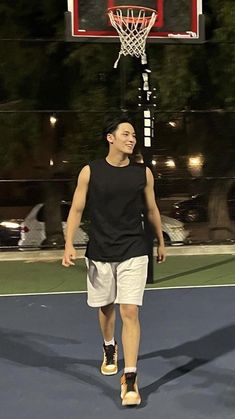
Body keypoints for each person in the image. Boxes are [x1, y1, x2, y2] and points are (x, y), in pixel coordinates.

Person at [62, 115, 166, 406]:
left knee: (129, 311)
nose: (132, 139)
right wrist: (69, 243)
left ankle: (130, 378)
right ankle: (109, 347)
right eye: (126, 134)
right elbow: (76, 209)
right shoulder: (90, 172)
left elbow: (152, 208)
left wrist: (159, 239)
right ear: (110, 138)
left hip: (134, 248)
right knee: (105, 307)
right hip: (100, 251)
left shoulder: (142, 173)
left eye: (134, 135)